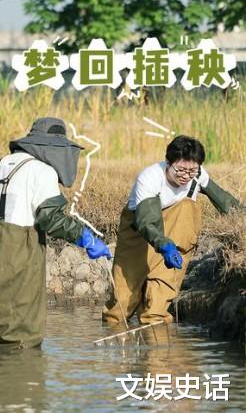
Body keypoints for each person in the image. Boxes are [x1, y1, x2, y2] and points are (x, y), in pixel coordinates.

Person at [0, 117, 111, 348]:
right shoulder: (42, 171)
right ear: (53, 147)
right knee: (22, 332)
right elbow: (51, 218)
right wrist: (85, 238)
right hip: (20, 253)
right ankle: (21, 368)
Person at [102, 135, 242, 325]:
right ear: (168, 163)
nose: (186, 175)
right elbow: (147, 222)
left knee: (157, 308)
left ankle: (155, 328)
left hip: (175, 230)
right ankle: (115, 331)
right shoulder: (150, 178)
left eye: (192, 170)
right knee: (121, 304)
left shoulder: (198, 174)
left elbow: (228, 205)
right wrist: (165, 246)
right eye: (180, 169)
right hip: (139, 229)